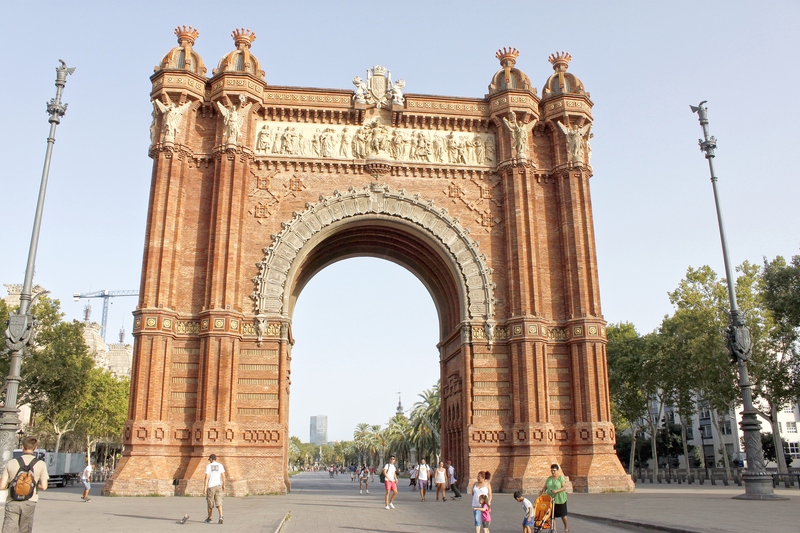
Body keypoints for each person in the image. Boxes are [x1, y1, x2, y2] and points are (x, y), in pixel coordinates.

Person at [0, 436, 48, 533]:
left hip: (12, 500)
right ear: (35, 448)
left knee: (9, 528)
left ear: (22, 447)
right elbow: (44, 486)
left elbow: (1, 486)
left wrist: (12, 484)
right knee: (25, 529)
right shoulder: (41, 464)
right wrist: (32, 485)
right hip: (30, 500)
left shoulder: (11, 463)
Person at [542, 463, 569, 533]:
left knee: (563, 515)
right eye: (552, 470)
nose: (553, 472)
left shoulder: (561, 478)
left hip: (560, 499)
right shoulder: (549, 478)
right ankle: (554, 529)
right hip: (550, 499)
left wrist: (557, 491)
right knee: (552, 515)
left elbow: (564, 487)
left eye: (554, 470)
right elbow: (545, 487)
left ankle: (566, 528)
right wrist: (542, 491)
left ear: (557, 470)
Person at [204, 454, 226, 524]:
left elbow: (206, 478)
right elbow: (223, 476)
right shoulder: (220, 465)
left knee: (210, 503)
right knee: (219, 502)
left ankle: (210, 518)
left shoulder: (208, 466)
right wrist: (223, 485)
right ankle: (221, 516)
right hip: (218, 485)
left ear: (210, 459)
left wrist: (205, 488)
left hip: (211, 486)